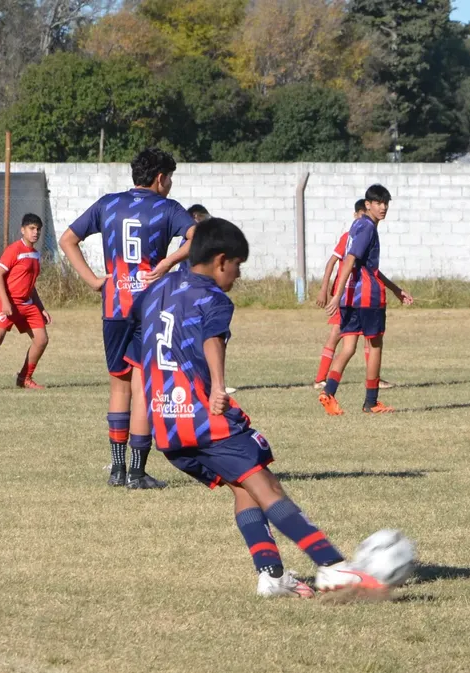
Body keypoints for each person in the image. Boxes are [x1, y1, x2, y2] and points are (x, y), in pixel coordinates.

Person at [126, 217, 387, 597]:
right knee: (267, 488)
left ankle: (272, 576)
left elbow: (142, 347)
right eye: (238, 266)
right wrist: (217, 386)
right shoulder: (213, 297)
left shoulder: (157, 289)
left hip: (167, 420)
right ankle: (333, 567)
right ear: (220, 261)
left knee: (244, 487)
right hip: (205, 416)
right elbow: (213, 340)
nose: (237, 275)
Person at [59, 148, 195, 489]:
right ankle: (137, 471)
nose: (171, 185)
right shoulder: (168, 209)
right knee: (143, 387)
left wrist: (93, 280)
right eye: (170, 178)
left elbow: (67, 239)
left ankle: (117, 471)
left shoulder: (108, 204)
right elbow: (199, 238)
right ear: (160, 178)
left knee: (119, 385)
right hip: (150, 306)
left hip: (114, 306)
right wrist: (166, 264)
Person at [319, 185, 413, 416]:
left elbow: (368, 267)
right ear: (367, 204)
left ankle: (328, 393)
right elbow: (350, 260)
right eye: (378, 203)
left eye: (385, 203)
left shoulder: (357, 226)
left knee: (348, 347)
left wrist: (396, 289)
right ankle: (371, 402)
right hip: (367, 298)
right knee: (375, 346)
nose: (383, 207)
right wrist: (337, 293)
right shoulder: (368, 228)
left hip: (351, 297)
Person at [313, 200, 394, 390]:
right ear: (359, 213)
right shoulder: (353, 235)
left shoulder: (363, 234)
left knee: (364, 341)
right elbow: (335, 262)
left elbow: (371, 269)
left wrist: (395, 289)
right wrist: (325, 289)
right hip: (349, 295)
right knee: (339, 336)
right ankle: (320, 379)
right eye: (360, 215)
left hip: (356, 294)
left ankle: (372, 379)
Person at [0, 214, 51, 393]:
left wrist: (41, 308)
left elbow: (30, 285)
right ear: (22, 230)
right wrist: (6, 303)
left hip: (26, 303)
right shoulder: (14, 250)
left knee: (41, 339)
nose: (35, 232)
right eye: (31, 228)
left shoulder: (36, 255)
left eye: (38, 229)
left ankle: (25, 378)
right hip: (6, 301)